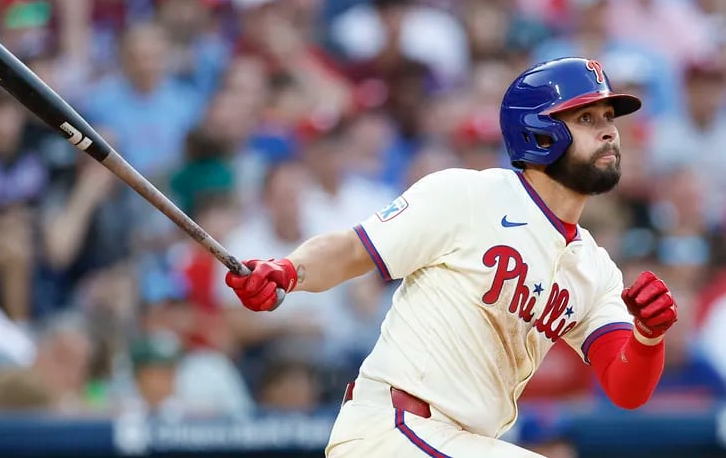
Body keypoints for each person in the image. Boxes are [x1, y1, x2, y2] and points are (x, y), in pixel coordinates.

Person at [225, 57, 679, 457]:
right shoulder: (469, 195)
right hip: (393, 432)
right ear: (540, 132)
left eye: (608, 117)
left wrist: (648, 335)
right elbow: (350, 250)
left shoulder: (595, 269)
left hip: (463, 443)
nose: (608, 129)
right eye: (585, 117)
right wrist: (287, 270)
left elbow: (626, 389)